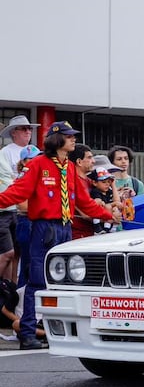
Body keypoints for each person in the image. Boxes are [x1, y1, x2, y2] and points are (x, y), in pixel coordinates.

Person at [0, 121, 119, 350]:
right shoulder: (39, 164)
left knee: (64, 282)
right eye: (69, 136)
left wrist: (106, 215)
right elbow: (18, 192)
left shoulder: (70, 168)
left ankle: (57, 330)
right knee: (37, 281)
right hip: (45, 229)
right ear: (57, 139)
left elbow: (83, 202)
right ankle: (27, 333)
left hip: (66, 227)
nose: (74, 139)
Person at [12, 145, 40, 288]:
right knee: (28, 265)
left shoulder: (36, 177)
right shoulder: (22, 178)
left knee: (35, 264)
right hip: (26, 222)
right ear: (23, 162)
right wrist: (44, 209)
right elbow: (22, 206)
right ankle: (21, 305)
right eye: (32, 158)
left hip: (35, 222)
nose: (37, 160)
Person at [67, 143, 97, 240]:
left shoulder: (91, 182)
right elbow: (86, 214)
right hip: (76, 234)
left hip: (91, 233)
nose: (94, 161)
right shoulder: (71, 182)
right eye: (89, 158)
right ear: (79, 161)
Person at [88, 167, 122, 234]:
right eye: (103, 182)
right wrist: (114, 204)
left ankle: (109, 228)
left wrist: (113, 185)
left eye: (109, 182)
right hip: (99, 216)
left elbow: (117, 201)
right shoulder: (95, 191)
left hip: (107, 216)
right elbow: (102, 204)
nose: (107, 184)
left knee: (115, 209)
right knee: (106, 207)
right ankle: (97, 227)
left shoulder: (108, 191)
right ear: (94, 183)